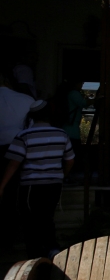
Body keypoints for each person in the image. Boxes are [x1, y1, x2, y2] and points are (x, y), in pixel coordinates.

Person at [0, 100, 75, 259]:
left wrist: (2, 185)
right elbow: (70, 160)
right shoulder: (61, 134)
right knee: (47, 215)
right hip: (54, 184)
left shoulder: (24, 135)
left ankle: (35, 253)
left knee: (30, 219)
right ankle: (51, 248)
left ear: (32, 116)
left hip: (31, 185)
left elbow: (14, 163)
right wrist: (63, 175)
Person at [0, 73, 34, 251]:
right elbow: (32, 128)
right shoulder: (25, 100)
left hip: (12, 149)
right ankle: (11, 236)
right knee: (14, 193)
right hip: (17, 148)